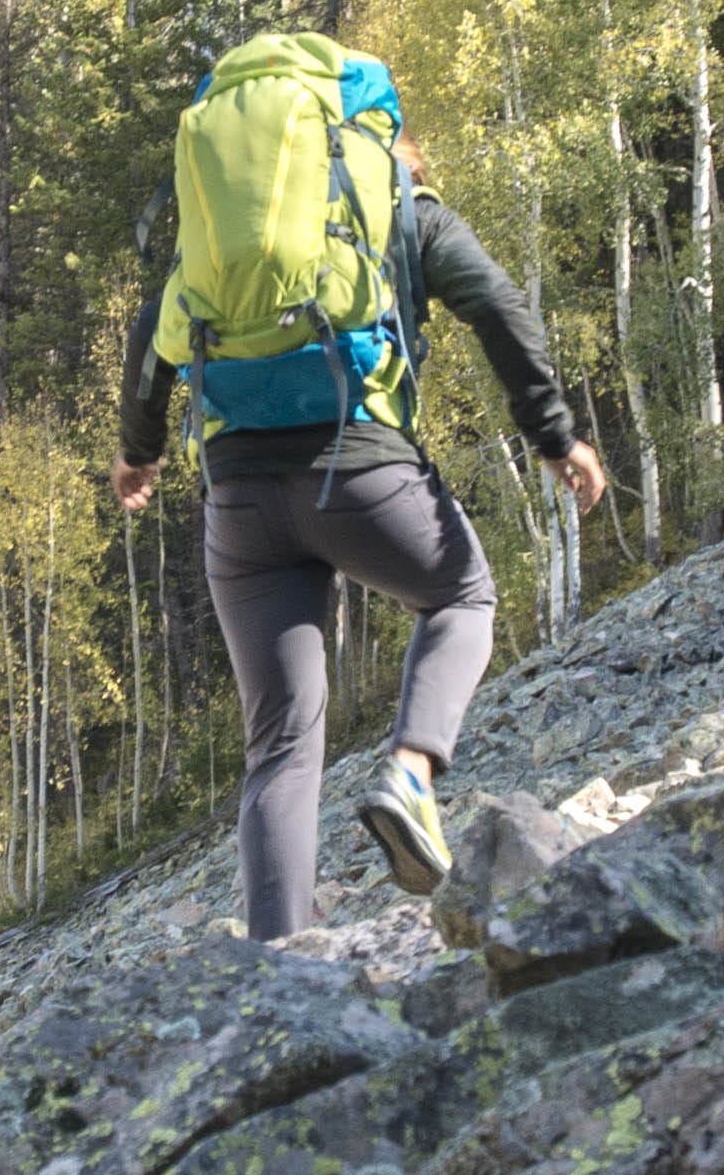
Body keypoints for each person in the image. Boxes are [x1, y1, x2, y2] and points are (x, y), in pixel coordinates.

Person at [116, 101, 606, 940]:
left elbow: (149, 342)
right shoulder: (406, 213)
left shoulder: (218, 245)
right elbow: (500, 305)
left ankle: (282, 976)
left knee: (279, 745)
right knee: (462, 597)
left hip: (237, 502)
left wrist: (140, 451)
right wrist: (555, 435)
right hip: (361, 471)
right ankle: (411, 774)